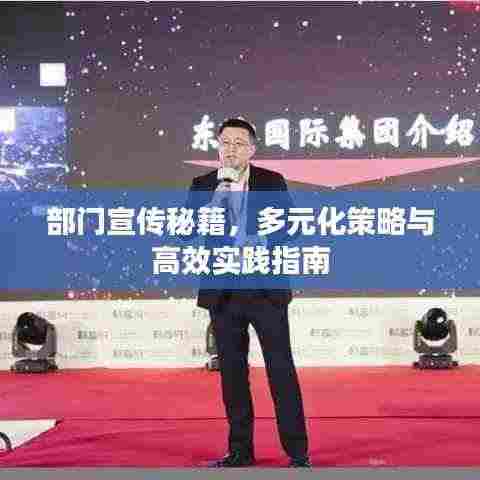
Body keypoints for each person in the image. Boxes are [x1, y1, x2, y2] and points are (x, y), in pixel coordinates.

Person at [187, 118, 311, 468]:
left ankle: (298, 453)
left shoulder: (271, 181)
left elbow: (292, 227)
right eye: (225, 142)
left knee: (280, 370)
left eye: (239, 143)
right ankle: (240, 451)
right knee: (232, 374)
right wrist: (213, 202)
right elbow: (184, 231)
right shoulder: (203, 185)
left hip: (265, 291)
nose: (231, 149)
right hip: (224, 294)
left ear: (252, 149)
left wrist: (265, 237)